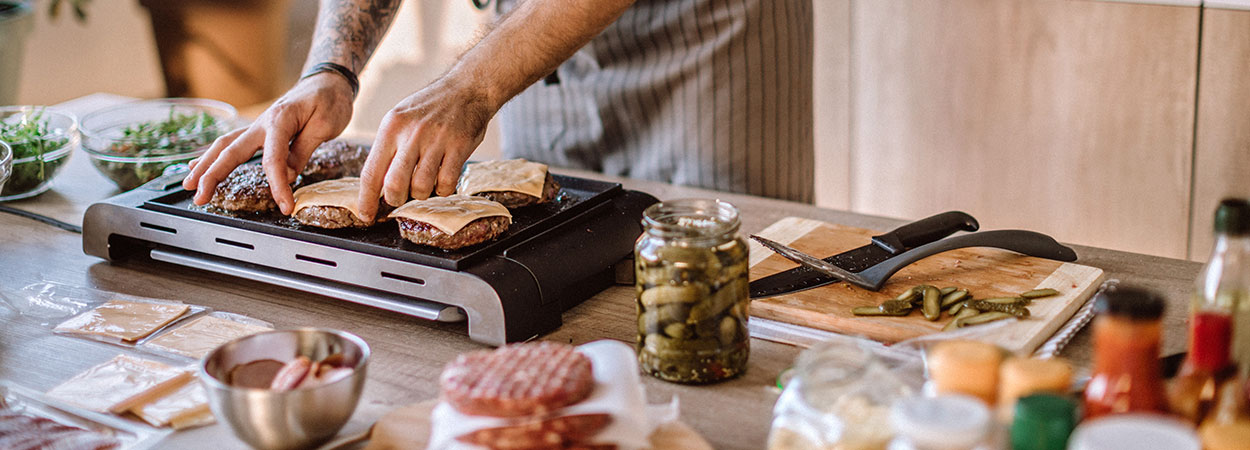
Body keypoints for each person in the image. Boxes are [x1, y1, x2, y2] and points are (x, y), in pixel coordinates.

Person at [182, 0, 814, 221]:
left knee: (721, 283)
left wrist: (471, 85)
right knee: (561, 266)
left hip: (700, 40)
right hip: (528, 45)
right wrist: (331, 69)